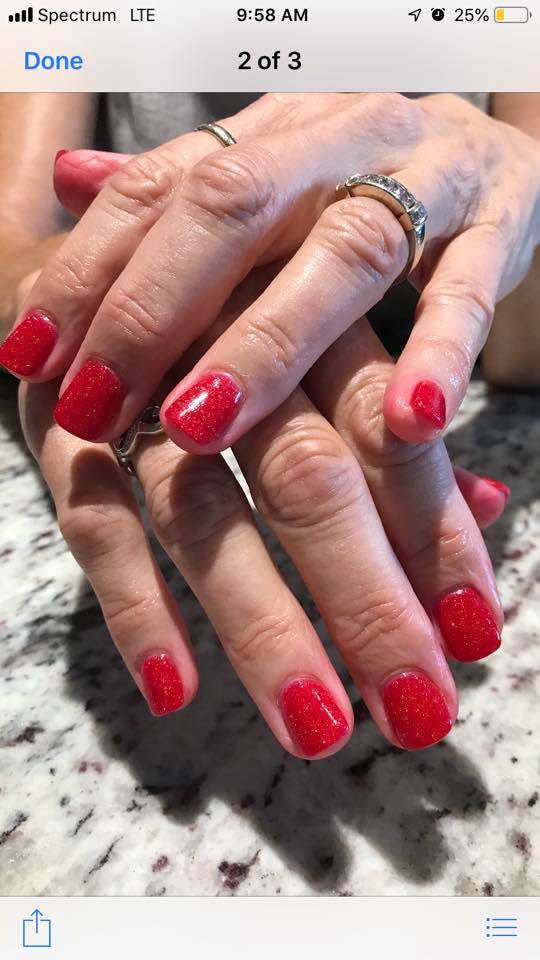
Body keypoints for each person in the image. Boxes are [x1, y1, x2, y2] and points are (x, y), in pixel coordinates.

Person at [0, 92, 538, 759]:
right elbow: (8, 248)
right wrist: (104, 285)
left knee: (309, 467)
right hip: (165, 390)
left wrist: (522, 190)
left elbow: (523, 359)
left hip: (396, 407)